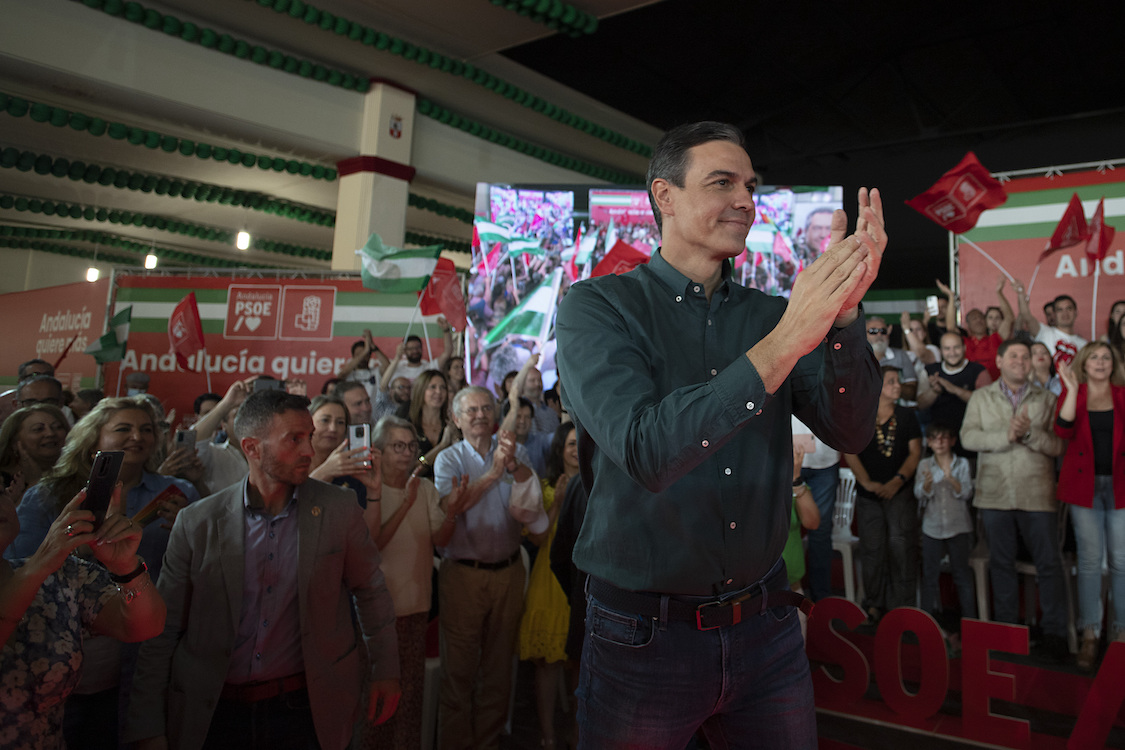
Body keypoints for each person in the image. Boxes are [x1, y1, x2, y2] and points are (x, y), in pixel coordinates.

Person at [554, 121, 884, 748]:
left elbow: (851, 427)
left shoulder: (768, 313)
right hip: (643, 636)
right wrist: (791, 336)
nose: (745, 199)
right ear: (664, 196)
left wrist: (841, 318)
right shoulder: (597, 308)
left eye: (750, 185)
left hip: (767, 629)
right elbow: (648, 451)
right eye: (722, 182)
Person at [124, 389, 401, 750]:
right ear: (252, 448)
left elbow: (371, 591)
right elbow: (165, 627)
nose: (309, 450)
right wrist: (147, 723)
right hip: (215, 712)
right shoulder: (198, 522)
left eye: (310, 438)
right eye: (294, 439)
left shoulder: (338, 509)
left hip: (307, 709)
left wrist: (386, 671)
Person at [6, 396, 197, 748]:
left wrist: (184, 529)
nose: (136, 437)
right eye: (123, 428)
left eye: (146, 429)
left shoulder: (178, 493)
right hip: (61, 656)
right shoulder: (47, 497)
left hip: (136, 653)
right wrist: (74, 549)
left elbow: (163, 608)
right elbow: (22, 569)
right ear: (93, 437)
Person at [1, 479, 166, 749]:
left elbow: (145, 627)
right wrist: (38, 565)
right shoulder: (43, 568)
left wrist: (125, 567)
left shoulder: (62, 574)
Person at [433, 386, 549, 750]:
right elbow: (451, 509)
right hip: (463, 575)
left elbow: (530, 505)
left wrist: (511, 466)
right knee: (459, 672)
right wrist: (491, 474)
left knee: (499, 671)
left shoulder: (516, 452)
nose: (480, 415)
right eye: (471, 410)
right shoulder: (448, 460)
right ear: (456, 419)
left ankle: (486, 743)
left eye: (486, 408)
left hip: (510, 573)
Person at [960, 339, 1069, 661]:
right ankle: (1009, 633)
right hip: (995, 496)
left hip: (1038, 495)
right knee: (1001, 564)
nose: (1020, 361)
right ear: (999, 360)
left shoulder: (1048, 399)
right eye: (1013, 356)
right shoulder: (981, 397)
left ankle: (1055, 634)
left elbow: (1059, 447)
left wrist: (1030, 435)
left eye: (1026, 356)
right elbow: (968, 437)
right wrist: (1005, 436)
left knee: (1049, 565)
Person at [360, 416, 455, 750]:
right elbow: (370, 550)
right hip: (375, 616)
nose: (406, 453)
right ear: (380, 452)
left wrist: (454, 512)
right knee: (374, 704)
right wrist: (406, 503)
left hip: (416, 608)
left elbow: (440, 540)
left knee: (409, 698)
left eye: (411, 446)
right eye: (397, 446)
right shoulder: (365, 490)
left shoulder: (425, 488)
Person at [1054, 342, 1125, 670]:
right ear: (1084, 362)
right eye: (1094, 357)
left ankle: (1120, 633)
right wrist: (1069, 389)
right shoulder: (1075, 392)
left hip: (1121, 489)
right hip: (1084, 490)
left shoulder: (1122, 394)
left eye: (1106, 357)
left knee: (1122, 563)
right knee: (1089, 563)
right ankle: (1090, 633)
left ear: (1114, 364)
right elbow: (1061, 430)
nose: (1100, 362)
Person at [519, 422, 579, 750]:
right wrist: (558, 501)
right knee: (547, 666)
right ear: (560, 449)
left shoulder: (597, 480)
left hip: (582, 580)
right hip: (549, 580)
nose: (574, 449)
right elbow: (539, 537)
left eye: (578, 443)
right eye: (569, 444)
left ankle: (577, 734)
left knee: (579, 665)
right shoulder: (542, 485)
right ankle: (547, 736)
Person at [844, 367, 922, 622]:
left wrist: (897, 481)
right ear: (876, 386)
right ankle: (874, 604)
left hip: (900, 492)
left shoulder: (906, 416)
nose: (897, 386)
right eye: (890, 382)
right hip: (869, 495)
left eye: (897, 382)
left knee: (901, 546)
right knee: (872, 548)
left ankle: (904, 606)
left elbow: (914, 453)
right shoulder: (860, 416)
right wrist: (866, 483)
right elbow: (850, 451)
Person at [914, 423, 976, 635]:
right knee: (929, 576)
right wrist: (928, 485)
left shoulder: (962, 464)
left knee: (962, 575)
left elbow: (967, 493)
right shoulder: (924, 464)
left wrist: (950, 478)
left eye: (943, 437)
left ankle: (971, 624)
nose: (939, 442)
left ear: (952, 441)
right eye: (934, 438)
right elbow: (918, 494)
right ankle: (925, 624)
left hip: (958, 526)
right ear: (929, 442)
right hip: (932, 527)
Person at [916, 332, 991, 456]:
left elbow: (987, 404)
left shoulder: (978, 371)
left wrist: (955, 389)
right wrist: (934, 391)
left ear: (964, 348)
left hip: (970, 443)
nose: (952, 352)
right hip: (939, 445)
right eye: (947, 348)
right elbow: (921, 404)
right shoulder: (930, 370)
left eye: (956, 347)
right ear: (941, 351)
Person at [791, 416, 839, 602]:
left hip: (825, 461)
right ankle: (784, 595)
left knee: (820, 531)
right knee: (783, 527)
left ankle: (821, 601)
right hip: (787, 456)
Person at [307, 394, 381, 507]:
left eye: (340, 422)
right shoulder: (291, 466)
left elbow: (368, 525)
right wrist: (324, 472)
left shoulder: (351, 473)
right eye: (325, 420)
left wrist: (374, 492)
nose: (333, 429)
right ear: (308, 423)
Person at [397, 370, 458, 476]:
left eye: (443, 387)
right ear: (421, 390)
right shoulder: (407, 425)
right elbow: (408, 471)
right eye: (432, 387)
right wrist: (442, 446)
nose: (438, 392)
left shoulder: (451, 425)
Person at [1015, 282, 1088, 368]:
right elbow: (1026, 315)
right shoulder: (1044, 332)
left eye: (1069, 309)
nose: (1065, 313)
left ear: (1076, 312)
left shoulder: (1084, 345)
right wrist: (1020, 294)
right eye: (1060, 310)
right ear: (1054, 314)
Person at [0, 404, 69, 490]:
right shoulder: (3, 482)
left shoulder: (74, 474)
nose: (50, 433)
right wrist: (34, 482)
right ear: (14, 442)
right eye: (38, 429)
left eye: (57, 427)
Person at [866, 316, 917, 401]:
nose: (879, 335)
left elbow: (912, 393)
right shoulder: (855, 358)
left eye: (883, 331)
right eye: (873, 331)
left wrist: (891, 384)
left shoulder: (900, 355)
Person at [387, 321, 454, 383]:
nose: (415, 351)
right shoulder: (398, 367)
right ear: (404, 351)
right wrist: (397, 357)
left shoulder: (429, 368)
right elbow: (383, 385)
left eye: (417, 347)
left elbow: (447, 352)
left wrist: (446, 330)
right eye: (411, 348)